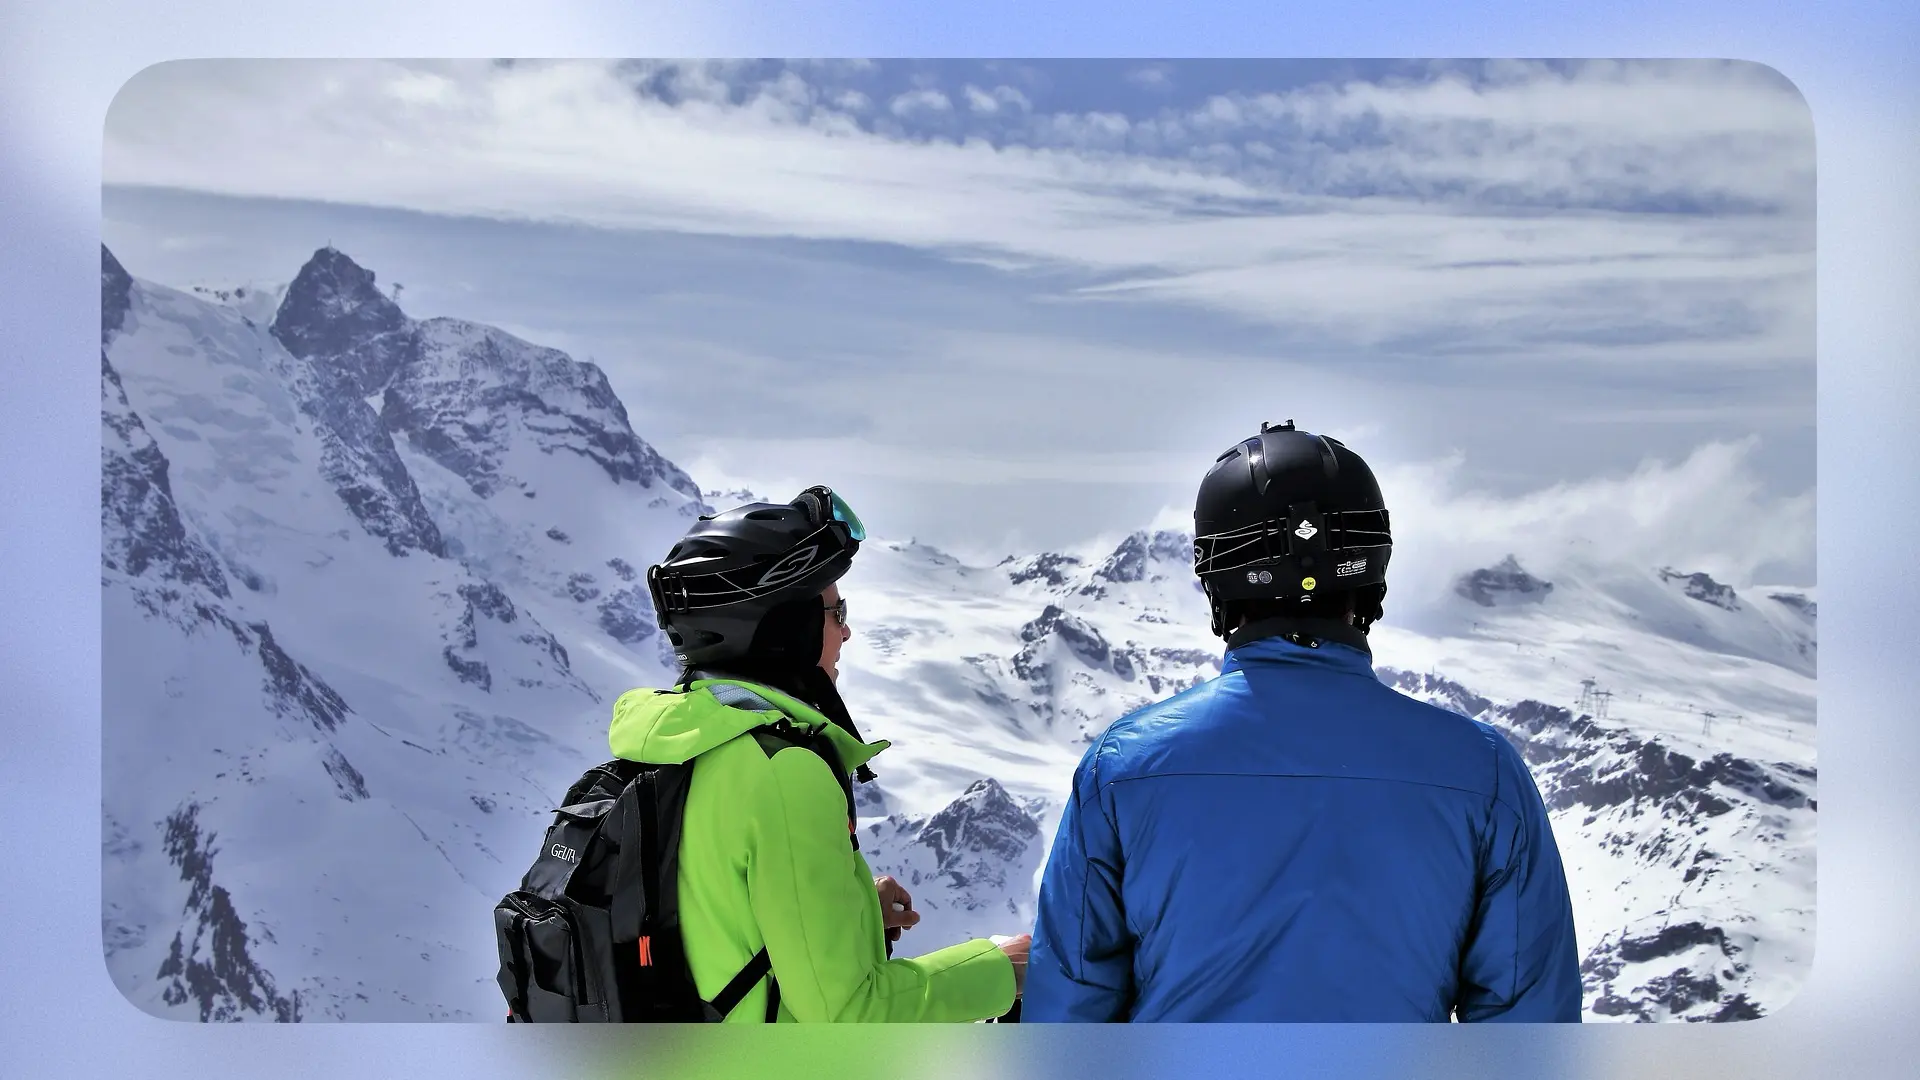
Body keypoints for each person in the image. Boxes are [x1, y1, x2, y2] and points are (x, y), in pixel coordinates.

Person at [1023, 422, 1582, 1022]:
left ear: (1216, 580)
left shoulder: (1122, 768)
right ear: (1371, 575)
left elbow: (1071, 1013)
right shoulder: (1485, 772)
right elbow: (1528, 1026)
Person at [614, 485, 1030, 1022]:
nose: (847, 632)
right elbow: (849, 1016)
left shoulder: (672, 744)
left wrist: (850, 909)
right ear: (786, 630)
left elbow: (709, 922)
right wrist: (1002, 969)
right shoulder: (784, 772)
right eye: (835, 613)